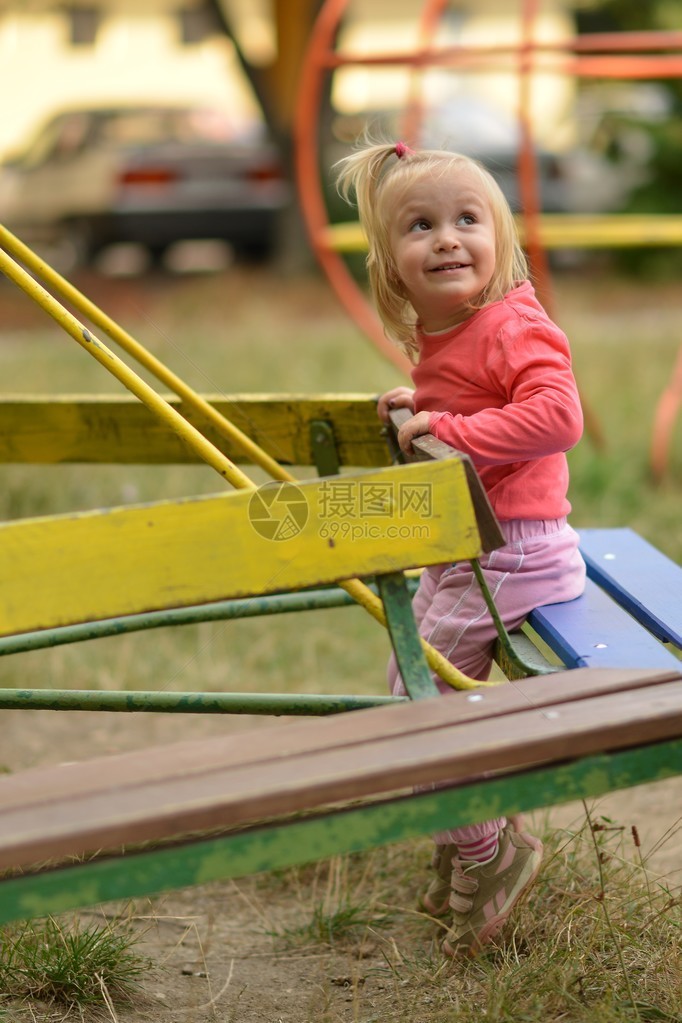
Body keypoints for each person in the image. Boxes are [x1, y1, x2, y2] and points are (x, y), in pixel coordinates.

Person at [335, 140, 585, 957]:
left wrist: (450, 430)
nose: (447, 238)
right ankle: (465, 833)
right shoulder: (455, 334)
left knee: (418, 706)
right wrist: (424, 401)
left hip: (513, 549)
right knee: (408, 681)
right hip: (473, 549)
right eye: (421, 225)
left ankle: (492, 848)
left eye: (467, 219)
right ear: (392, 266)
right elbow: (467, 399)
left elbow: (557, 418)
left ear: (500, 240)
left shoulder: (514, 322)